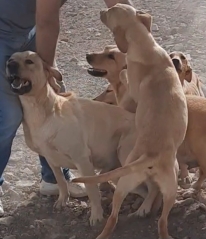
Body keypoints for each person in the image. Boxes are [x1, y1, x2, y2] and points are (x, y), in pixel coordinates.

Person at [0, 0, 127, 216]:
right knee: (8, 115)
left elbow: (122, 7)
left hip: (27, 31)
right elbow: (47, 21)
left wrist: (147, 46)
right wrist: (47, 73)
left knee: (58, 98)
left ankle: (54, 179)